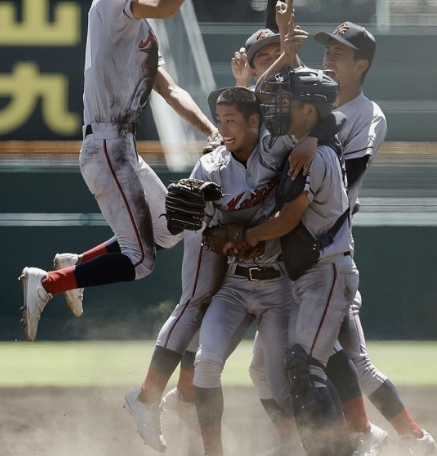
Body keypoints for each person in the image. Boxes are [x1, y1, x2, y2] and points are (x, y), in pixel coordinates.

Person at [251, 3, 436, 455]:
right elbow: (273, 94)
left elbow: (343, 179)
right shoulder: (313, 98)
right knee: (334, 354)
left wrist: (319, 136)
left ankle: (393, 437)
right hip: (297, 248)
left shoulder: (368, 114)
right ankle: (394, 436)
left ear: (362, 65)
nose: (330, 57)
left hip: (325, 244)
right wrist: (285, 43)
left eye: (341, 51)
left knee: (341, 356)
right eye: (328, 48)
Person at [18, 0, 221, 342]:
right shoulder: (111, 4)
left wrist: (211, 131)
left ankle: (75, 261)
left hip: (123, 146)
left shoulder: (142, 29)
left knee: (169, 229)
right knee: (140, 260)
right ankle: (48, 283)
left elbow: (169, 90)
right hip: (107, 143)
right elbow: (168, 8)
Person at [242, 64, 360, 456]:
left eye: (290, 102)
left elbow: (290, 218)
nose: (282, 107)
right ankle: (314, 447)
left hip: (327, 271)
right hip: (310, 275)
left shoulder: (317, 155)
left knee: (305, 367)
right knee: (275, 367)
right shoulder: (311, 144)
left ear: (309, 110)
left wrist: (249, 237)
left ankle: (341, 451)